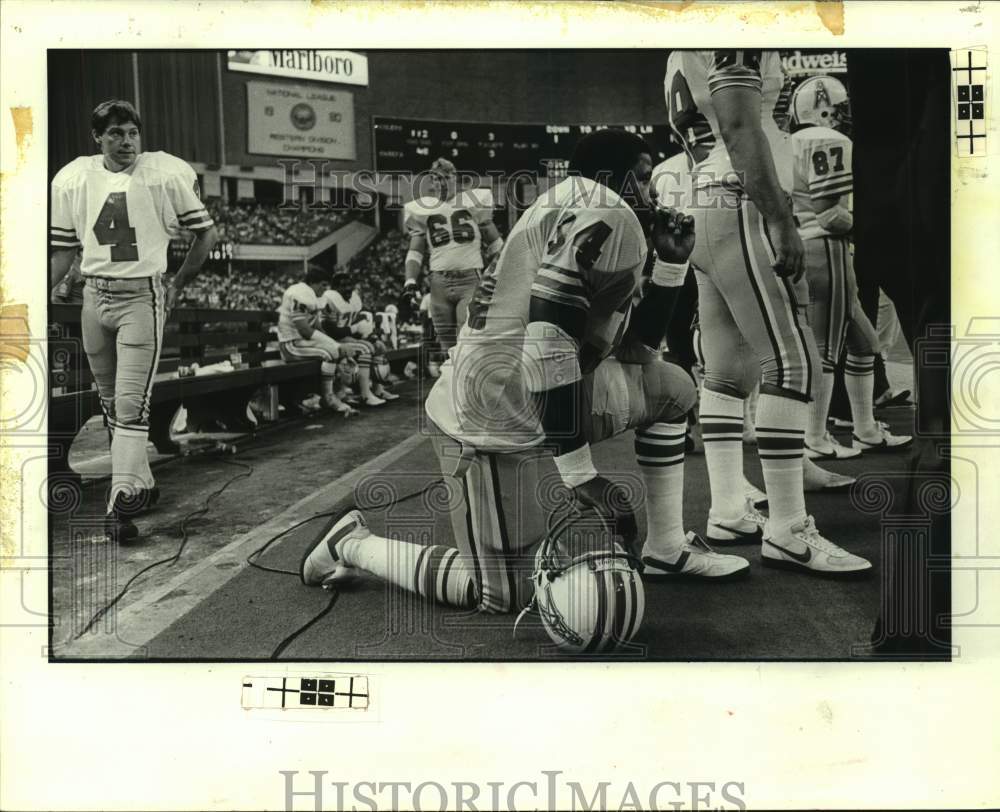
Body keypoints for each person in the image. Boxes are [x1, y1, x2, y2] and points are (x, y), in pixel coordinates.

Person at [301, 129, 752, 622]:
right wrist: (581, 475)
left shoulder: (579, 205)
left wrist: (670, 263)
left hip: (540, 388)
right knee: (501, 595)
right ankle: (352, 543)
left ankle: (665, 546)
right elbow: (548, 336)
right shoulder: (608, 211)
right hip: (491, 411)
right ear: (619, 179)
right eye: (644, 179)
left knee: (672, 389)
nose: (653, 194)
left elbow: (640, 351)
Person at [665, 50, 868, 574]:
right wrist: (779, 217)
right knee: (792, 362)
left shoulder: (683, 41)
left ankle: (730, 507)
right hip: (739, 200)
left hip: (705, 200)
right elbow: (736, 122)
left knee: (727, 372)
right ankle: (788, 529)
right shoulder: (735, 24)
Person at [50, 99, 218, 543]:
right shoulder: (74, 177)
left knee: (129, 405)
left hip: (140, 296)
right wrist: (48, 286)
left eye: (132, 133)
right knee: (111, 405)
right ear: (97, 137)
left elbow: (207, 233)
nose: (126, 142)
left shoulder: (162, 172)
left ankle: (118, 505)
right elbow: (65, 249)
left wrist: (179, 283)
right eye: (115, 134)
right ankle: (141, 483)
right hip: (93, 297)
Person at [785, 75, 911, 459]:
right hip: (826, 248)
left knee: (865, 343)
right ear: (821, 109)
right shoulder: (828, 140)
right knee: (825, 348)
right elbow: (830, 216)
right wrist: (874, 224)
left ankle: (866, 429)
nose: (845, 117)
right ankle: (815, 437)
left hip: (810, 248)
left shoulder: (791, 142)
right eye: (840, 109)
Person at [402, 158, 505, 361]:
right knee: (448, 350)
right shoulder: (424, 209)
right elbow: (415, 251)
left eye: (445, 178)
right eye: (435, 178)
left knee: (468, 344)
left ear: (455, 178)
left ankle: (471, 390)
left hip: (470, 279)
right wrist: (410, 281)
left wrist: (507, 270)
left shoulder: (473, 202)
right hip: (438, 283)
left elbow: (495, 243)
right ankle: (452, 390)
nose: (440, 183)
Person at [276, 265, 358, 418]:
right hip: (291, 344)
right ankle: (329, 397)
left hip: (301, 343)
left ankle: (336, 393)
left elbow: (317, 327)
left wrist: (337, 344)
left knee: (335, 351)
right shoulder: (299, 293)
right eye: (323, 285)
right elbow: (305, 331)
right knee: (330, 352)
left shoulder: (313, 296)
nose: (325, 289)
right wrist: (336, 345)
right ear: (312, 283)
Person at [320, 271, 398, 407]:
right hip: (331, 340)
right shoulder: (328, 301)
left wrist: (371, 338)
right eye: (343, 286)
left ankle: (378, 389)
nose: (348, 288)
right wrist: (355, 331)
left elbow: (358, 325)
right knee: (364, 348)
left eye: (349, 285)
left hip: (345, 338)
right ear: (335, 288)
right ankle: (365, 394)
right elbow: (331, 331)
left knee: (378, 346)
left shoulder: (352, 301)